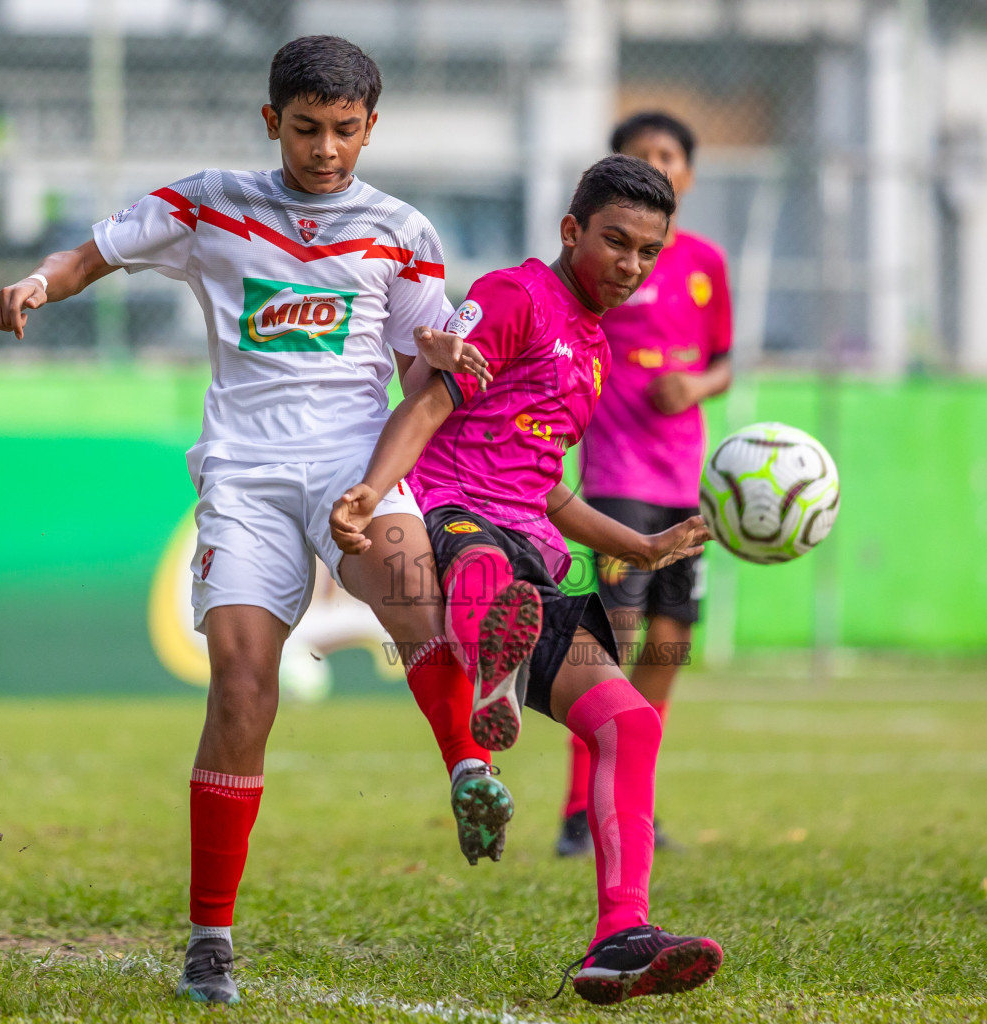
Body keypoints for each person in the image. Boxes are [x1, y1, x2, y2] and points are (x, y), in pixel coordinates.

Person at [0, 35, 512, 1004]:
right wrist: (36, 286)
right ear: (273, 122)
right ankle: (210, 939)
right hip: (246, 473)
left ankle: (470, 768)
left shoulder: (402, 230)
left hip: (355, 462)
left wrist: (442, 349)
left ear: (370, 128)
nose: (325, 149)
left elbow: (421, 359)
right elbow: (93, 253)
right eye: (306, 129)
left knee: (411, 591)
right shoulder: (208, 203)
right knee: (241, 692)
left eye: (345, 131)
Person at [331, 155, 723, 1005]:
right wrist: (369, 489)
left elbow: (549, 484)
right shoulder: (512, 296)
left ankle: (620, 936)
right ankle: (490, 671)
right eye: (615, 241)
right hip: (454, 516)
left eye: (648, 253)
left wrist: (644, 547)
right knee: (483, 562)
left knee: (629, 724)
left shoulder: (594, 347)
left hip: (532, 552)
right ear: (571, 230)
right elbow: (432, 401)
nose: (630, 264)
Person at [557, 112, 733, 858]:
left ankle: (637, 807)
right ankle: (577, 811)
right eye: (641, 156)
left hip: (682, 482)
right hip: (616, 478)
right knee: (616, 636)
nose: (658, 165)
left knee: (668, 645)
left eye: (669, 156)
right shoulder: (608, 262)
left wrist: (694, 386)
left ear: (688, 174)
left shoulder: (704, 264)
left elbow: (726, 360)